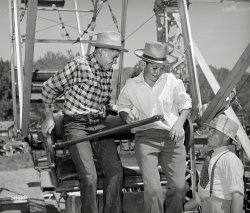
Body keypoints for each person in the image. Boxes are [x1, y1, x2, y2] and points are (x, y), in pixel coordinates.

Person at [41, 31, 128, 213]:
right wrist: (49, 117)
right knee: (89, 176)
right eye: (114, 56)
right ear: (102, 51)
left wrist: (122, 109)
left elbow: (104, 100)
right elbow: (48, 88)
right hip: (76, 125)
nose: (115, 61)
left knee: (116, 171)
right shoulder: (78, 65)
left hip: (99, 124)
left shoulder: (107, 70)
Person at [118, 42, 192, 213]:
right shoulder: (131, 86)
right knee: (153, 190)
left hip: (172, 137)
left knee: (180, 188)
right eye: (154, 67)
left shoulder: (171, 81)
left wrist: (180, 123)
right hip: (145, 138)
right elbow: (122, 107)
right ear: (144, 64)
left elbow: (185, 103)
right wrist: (126, 116)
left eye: (161, 68)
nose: (158, 72)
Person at [197, 114, 244, 213]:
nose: (208, 133)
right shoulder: (212, 157)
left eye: (213, 131)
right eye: (209, 130)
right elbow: (204, 191)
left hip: (220, 207)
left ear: (226, 137)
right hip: (207, 205)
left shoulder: (230, 159)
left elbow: (237, 196)